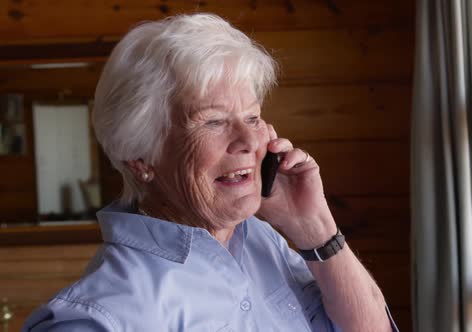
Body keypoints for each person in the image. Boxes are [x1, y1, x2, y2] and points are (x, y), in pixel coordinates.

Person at [22, 14, 398, 332]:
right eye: (214, 122)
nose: (250, 139)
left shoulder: (261, 241)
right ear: (140, 157)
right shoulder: (101, 316)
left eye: (252, 117)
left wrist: (314, 227)